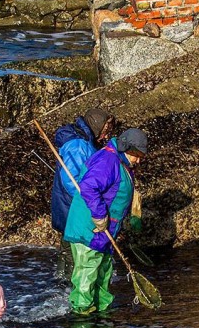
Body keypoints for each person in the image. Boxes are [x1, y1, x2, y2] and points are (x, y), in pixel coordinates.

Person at [62, 127, 147, 315]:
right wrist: (99, 216)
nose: (139, 160)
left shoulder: (122, 161)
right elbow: (89, 187)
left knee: (103, 273)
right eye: (137, 155)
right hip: (90, 230)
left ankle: (101, 316)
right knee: (87, 274)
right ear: (127, 148)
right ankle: (82, 321)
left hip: (106, 232)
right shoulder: (107, 160)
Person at [50, 108, 114, 233]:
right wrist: (94, 208)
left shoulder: (87, 142)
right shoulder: (78, 146)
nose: (106, 136)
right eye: (105, 131)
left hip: (76, 210)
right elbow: (72, 183)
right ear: (96, 126)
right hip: (72, 211)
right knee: (71, 250)